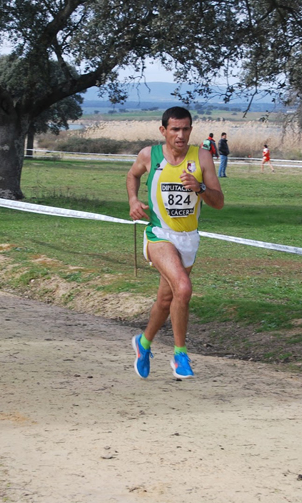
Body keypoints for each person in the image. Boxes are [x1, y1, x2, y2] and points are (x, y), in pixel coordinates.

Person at [127, 107, 224, 379]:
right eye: (175, 129)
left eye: (185, 129)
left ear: (191, 130)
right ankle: (180, 355)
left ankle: (143, 344)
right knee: (183, 288)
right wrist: (133, 200)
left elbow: (219, 202)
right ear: (163, 131)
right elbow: (132, 175)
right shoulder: (150, 155)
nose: (181, 135)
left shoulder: (202, 157)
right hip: (159, 234)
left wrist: (200, 188)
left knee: (167, 298)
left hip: (189, 238)